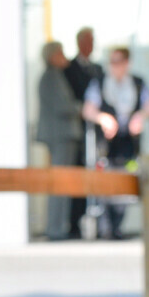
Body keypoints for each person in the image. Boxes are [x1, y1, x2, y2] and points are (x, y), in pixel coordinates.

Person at [82, 47, 149, 240]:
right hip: (106, 146)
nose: (115, 66)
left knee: (126, 182)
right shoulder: (100, 83)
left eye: (119, 62)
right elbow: (88, 110)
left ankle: (117, 226)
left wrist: (140, 116)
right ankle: (106, 227)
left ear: (127, 63)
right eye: (112, 62)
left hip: (129, 144)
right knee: (105, 183)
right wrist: (102, 118)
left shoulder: (138, 83)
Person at [36, 42, 83, 240]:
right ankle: (56, 229)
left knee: (62, 182)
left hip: (61, 135)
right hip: (60, 136)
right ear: (52, 56)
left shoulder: (54, 76)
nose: (64, 56)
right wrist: (83, 108)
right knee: (59, 182)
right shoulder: (51, 76)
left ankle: (58, 227)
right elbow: (63, 105)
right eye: (60, 53)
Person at [63, 27, 104, 238]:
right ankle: (74, 223)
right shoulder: (69, 69)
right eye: (88, 41)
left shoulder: (98, 69)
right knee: (76, 175)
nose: (91, 45)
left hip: (97, 131)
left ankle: (104, 224)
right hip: (77, 132)